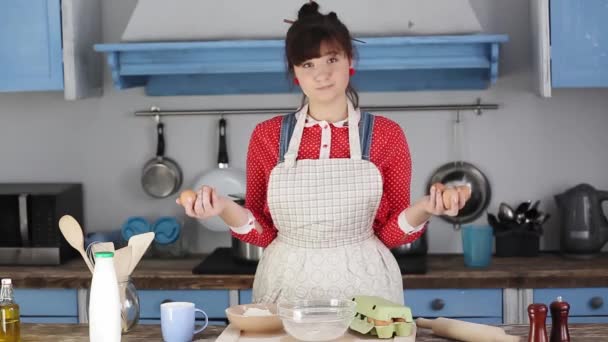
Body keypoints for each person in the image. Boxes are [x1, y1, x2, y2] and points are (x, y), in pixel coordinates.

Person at [177, 1, 468, 304]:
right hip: (286, 287)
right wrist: (222, 206)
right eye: (308, 64)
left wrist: (426, 208)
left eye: (331, 59)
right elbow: (263, 233)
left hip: (367, 289)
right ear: (295, 73)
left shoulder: (385, 135)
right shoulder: (268, 136)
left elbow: (390, 235)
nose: (321, 74)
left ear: (349, 60)